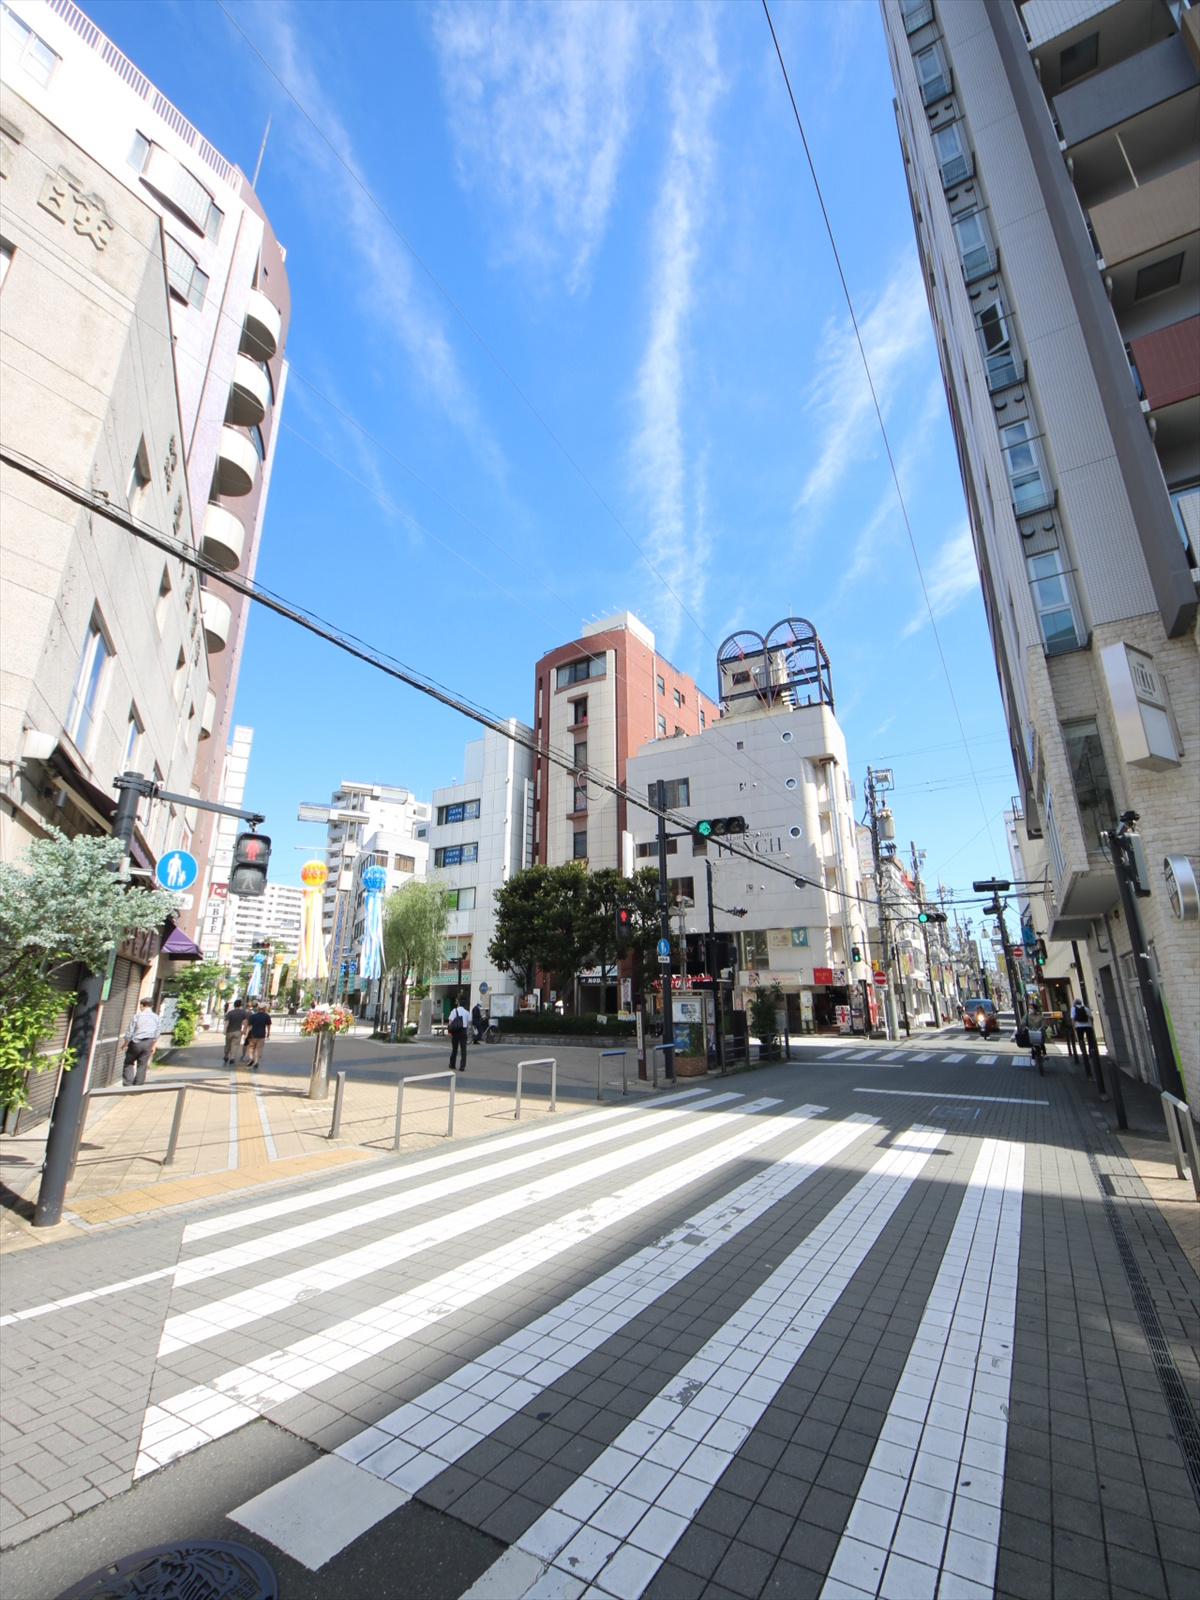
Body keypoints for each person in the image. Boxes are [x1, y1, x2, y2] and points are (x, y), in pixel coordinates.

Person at [123, 998, 161, 1086]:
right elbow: (157, 1033)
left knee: (128, 1062)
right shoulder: (156, 1017)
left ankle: (128, 1085)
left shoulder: (137, 1016)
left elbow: (129, 1031)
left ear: (141, 1005)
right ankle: (138, 1086)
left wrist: (125, 1044)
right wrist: (153, 1046)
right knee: (142, 1065)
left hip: (136, 1043)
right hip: (148, 1042)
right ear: (152, 1006)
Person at [448, 993, 471, 1073]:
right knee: (463, 1049)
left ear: (459, 1003)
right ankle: (462, 1066)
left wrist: (450, 1030)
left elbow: (450, 1021)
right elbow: (468, 1023)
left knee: (455, 1048)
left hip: (456, 1031)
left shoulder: (454, 1011)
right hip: (463, 1031)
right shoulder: (467, 1012)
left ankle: (452, 1064)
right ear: (465, 1004)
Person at [244, 1003, 271, 1069]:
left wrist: (246, 1034)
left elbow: (249, 1025)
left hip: (253, 1034)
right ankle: (256, 1062)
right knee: (259, 1048)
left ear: (258, 1008)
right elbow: (268, 1026)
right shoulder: (267, 1016)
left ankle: (251, 1058)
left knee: (251, 1047)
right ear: (264, 1008)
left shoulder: (253, 1016)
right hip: (262, 1035)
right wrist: (268, 1033)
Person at [223, 998, 249, 1065]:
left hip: (229, 1031)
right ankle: (232, 1057)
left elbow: (226, 1022)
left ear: (234, 1005)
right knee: (235, 1045)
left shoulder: (230, 1013)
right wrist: (244, 1030)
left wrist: (224, 1030)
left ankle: (226, 1056)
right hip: (238, 1031)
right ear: (240, 1005)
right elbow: (245, 1022)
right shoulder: (243, 1012)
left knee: (227, 1045)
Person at [1072, 997, 1096, 1066]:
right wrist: (1091, 1025)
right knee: (1090, 1040)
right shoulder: (1086, 1008)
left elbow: (1073, 1018)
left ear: (1075, 1003)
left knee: (1081, 1040)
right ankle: (1091, 1053)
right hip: (1088, 1026)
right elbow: (1091, 1017)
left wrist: (1074, 1026)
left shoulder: (1073, 1009)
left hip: (1079, 1026)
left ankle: (1083, 1053)